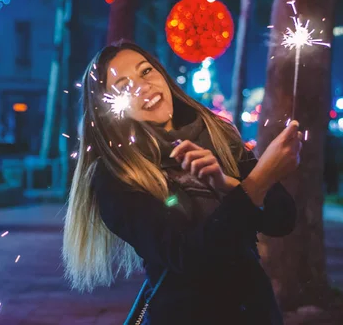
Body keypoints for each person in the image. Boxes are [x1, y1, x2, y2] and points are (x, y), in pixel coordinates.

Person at [63, 41, 302, 325]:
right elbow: (190, 258)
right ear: (110, 109)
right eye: (124, 86)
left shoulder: (216, 132)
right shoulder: (119, 175)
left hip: (256, 312)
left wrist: (227, 184)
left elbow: (282, 219)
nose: (143, 86)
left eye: (146, 71)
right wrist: (259, 179)